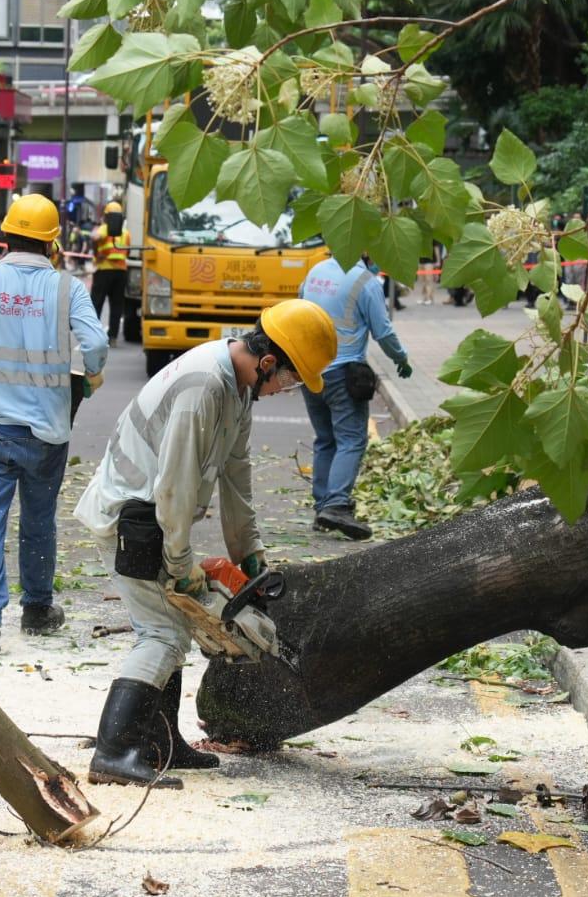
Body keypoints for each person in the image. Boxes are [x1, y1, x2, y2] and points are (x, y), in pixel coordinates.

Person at [72, 299, 336, 787]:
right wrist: (181, 564)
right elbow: (173, 484)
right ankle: (114, 751)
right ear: (268, 362)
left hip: (154, 515)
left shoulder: (238, 389)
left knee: (171, 628)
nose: (287, 390)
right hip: (132, 516)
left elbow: (237, 476)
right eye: (291, 380)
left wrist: (249, 552)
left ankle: (161, 743)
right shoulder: (205, 386)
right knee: (163, 635)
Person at [0, 195, 108, 659]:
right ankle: (37, 610)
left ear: (5, 236)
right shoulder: (66, 288)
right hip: (48, 429)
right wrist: (90, 377)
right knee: (38, 520)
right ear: (53, 243)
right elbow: (96, 343)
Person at [299, 255, 412, 541]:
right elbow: (383, 332)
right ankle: (336, 505)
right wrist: (401, 358)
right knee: (351, 439)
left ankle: (322, 507)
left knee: (325, 438)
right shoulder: (366, 282)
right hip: (342, 372)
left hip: (310, 371)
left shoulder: (315, 272)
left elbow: (300, 308)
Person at [92, 201, 131, 342]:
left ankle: (94, 334)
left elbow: (94, 238)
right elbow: (128, 251)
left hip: (104, 270)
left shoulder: (104, 228)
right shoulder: (126, 233)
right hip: (121, 272)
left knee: (97, 303)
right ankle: (112, 337)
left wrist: (97, 253)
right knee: (117, 306)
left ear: (107, 216)